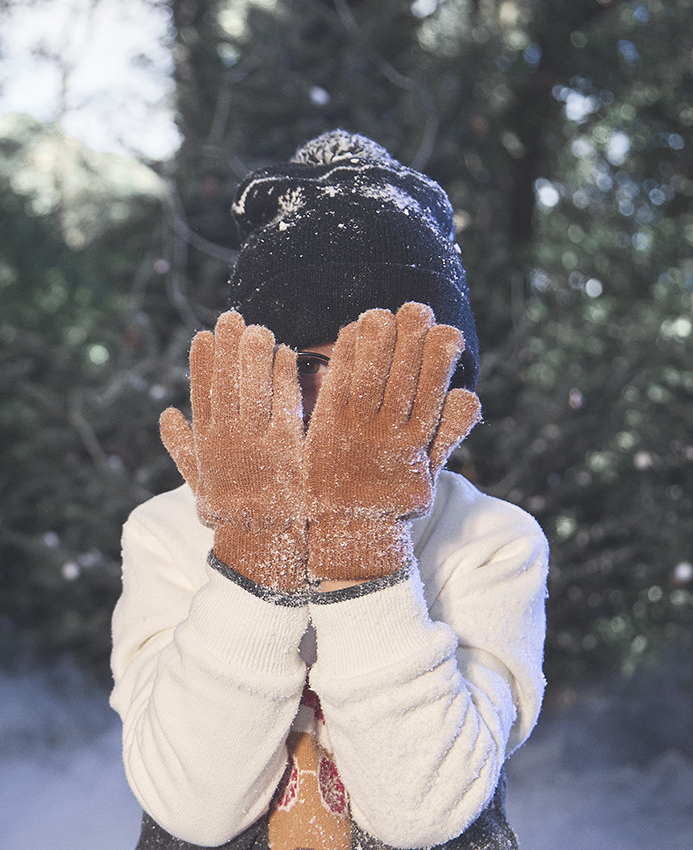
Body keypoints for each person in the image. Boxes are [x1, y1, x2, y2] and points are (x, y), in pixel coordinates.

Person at [110, 130, 548, 850]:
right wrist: (254, 556)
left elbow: (427, 813)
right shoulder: (169, 531)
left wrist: (364, 551)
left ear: (441, 381)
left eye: (381, 363)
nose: (342, 396)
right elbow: (192, 808)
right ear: (252, 367)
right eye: (309, 361)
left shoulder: (492, 541)